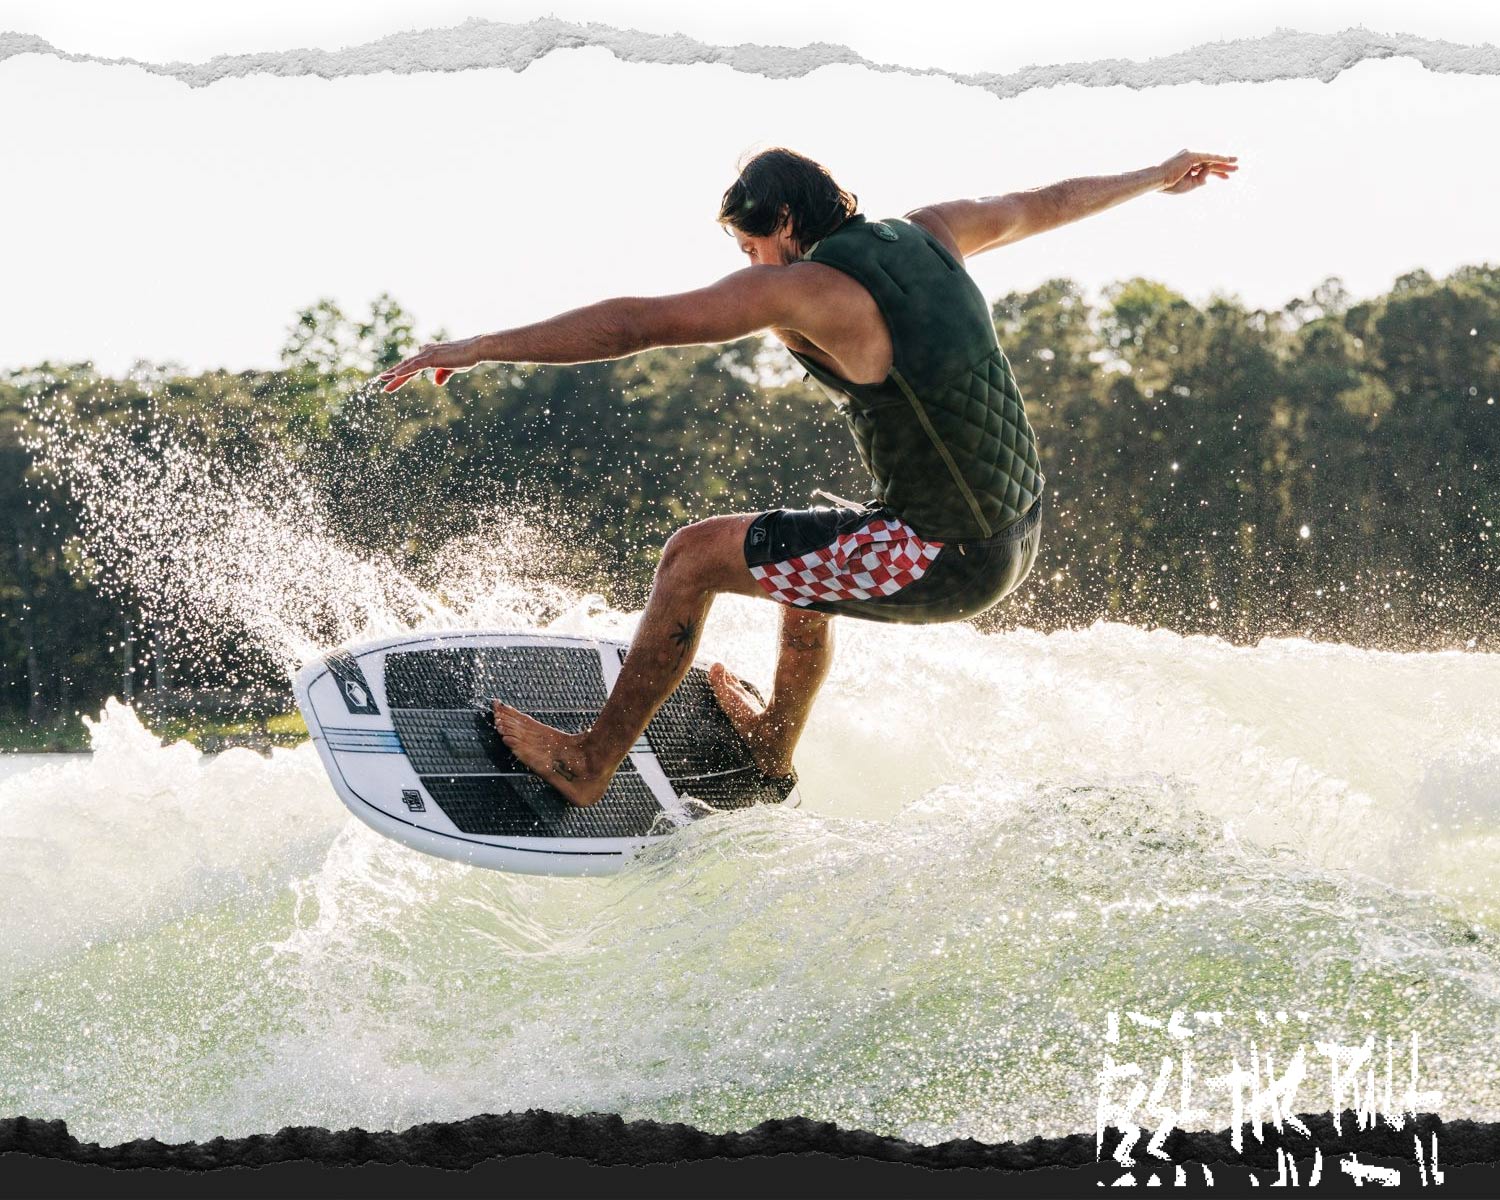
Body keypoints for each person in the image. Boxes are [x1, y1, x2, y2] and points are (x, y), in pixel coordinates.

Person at [378, 146, 1238, 806]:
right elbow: (1046, 204)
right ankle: (770, 751)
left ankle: (587, 762)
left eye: (756, 245)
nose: (755, 266)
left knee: (692, 559)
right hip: (1014, 525)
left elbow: (635, 325)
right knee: (804, 551)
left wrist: (481, 345)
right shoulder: (933, 231)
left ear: (787, 222)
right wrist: (1159, 175)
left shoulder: (806, 289)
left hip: (946, 552)